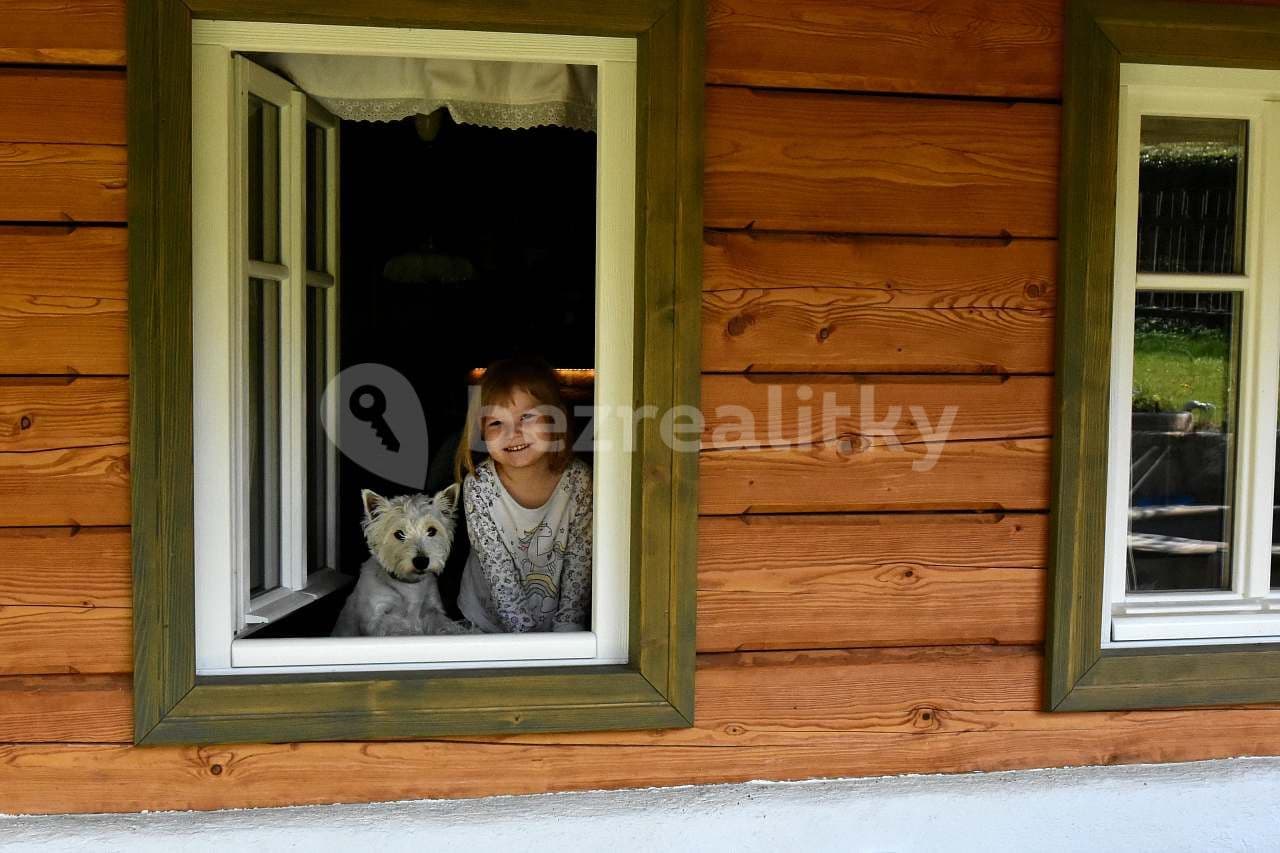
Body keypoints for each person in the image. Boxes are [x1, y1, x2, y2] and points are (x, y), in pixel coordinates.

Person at [453, 356, 592, 633]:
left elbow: (580, 562)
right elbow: (499, 574)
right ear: (481, 432)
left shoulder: (578, 480)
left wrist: (569, 629)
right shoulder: (480, 487)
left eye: (526, 417)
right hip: (487, 620)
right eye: (496, 423)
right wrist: (526, 641)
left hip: (555, 618)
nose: (513, 432)